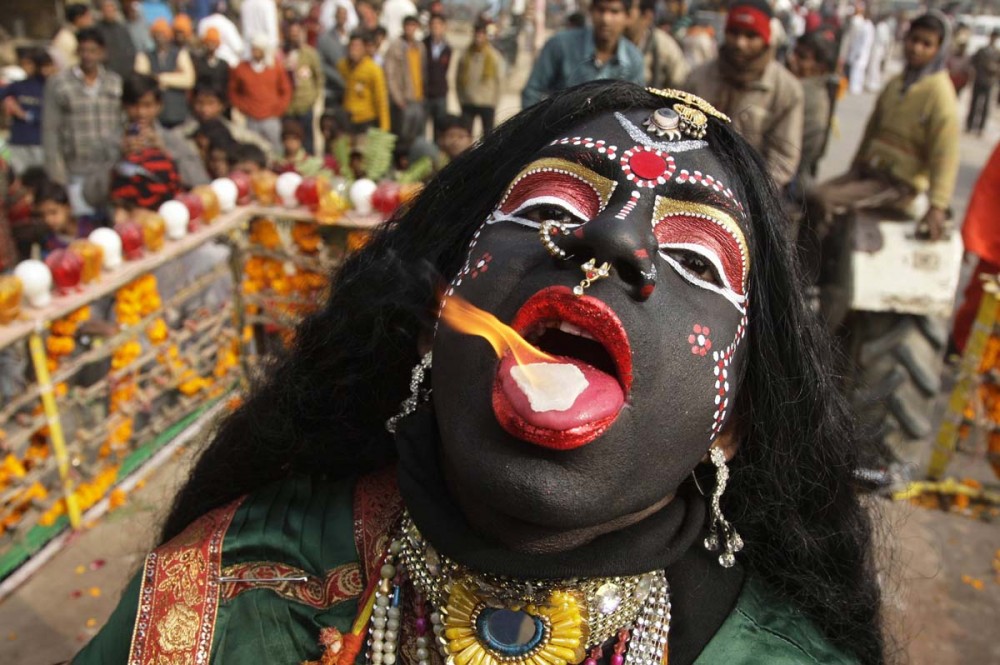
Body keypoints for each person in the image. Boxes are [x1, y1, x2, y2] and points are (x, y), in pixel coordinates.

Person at [74, 81, 887, 665]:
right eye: (548, 210)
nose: (611, 241)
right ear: (437, 312)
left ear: (736, 419)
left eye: (694, 258)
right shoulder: (231, 597)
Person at [811, 11, 958, 242]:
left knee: (824, 199)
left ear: (938, 49)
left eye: (926, 44)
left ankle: (812, 266)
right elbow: (872, 130)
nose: (917, 48)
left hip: (898, 185)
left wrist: (938, 205)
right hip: (870, 173)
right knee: (810, 196)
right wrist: (856, 166)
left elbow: (945, 154)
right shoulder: (896, 84)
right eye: (914, 40)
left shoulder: (940, 94)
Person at [684, 0, 803, 189]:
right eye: (734, 33)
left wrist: (750, 194)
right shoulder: (699, 77)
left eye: (750, 35)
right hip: (693, 181)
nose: (740, 43)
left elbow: (783, 159)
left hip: (753, 192)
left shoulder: (786, 89)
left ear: (766, 39)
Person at [84, 72, 207, 212]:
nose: (141, 113)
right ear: (124, 106)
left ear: (159, 106)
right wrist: (119, 158)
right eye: (134, 106)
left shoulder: (173, 139)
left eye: (147, 106)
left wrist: (165, 151)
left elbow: (200, 182)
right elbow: (90, 196)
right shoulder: (107, 143)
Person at [42, 27, 123, 215]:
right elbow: (50, 130)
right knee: (85, 225)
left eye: (93, 51)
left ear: (102, 53)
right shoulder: (59, 83)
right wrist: (56, 174)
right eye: (83, 50)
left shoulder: (114, 82)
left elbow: (122, 121)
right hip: (76, 169)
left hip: (110, 167)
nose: (88, 56)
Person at [523, 0, 643, 108]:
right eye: (601, 10)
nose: (606, 19)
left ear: (627, 17)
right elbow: (533, 91)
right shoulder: (560, 45)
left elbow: (634, 107)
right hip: (559, 127)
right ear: (591, 11)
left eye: (614, 12)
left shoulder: (633, 59)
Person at [952, 141, 1000, 353]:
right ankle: (959, 349)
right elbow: (989, 188)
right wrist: (973, 236)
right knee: (978, 306)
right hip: (995, 251)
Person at [788, 29, 836, 193]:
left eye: (801, 57)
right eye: (794, 52)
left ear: (820, 67)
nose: (791, 59)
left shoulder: (803, 94)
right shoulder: (800, 88)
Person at [229, 34, 292, 151]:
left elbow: (286, 90)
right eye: (253, 48)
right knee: (253, 148)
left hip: (271, 118)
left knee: (276, 148)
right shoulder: (241, 68)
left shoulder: (275, 68)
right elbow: (233, 91)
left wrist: (279, 108)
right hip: (251, 118)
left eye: (258, 49)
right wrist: (243, 107)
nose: (255, 52)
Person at [172, 85, 274, 158]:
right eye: (200, 103)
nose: (205, 109)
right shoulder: (182, 134)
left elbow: (266, 150)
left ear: (222, 106)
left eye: (211, 104)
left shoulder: (236, 133)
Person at [134, 19, 196, 129]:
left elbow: (189, 80)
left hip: (178, 112)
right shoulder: (145, 55)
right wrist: (174, 76)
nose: (160, 37)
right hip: (156, 116)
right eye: (157, 34)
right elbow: (142, 79)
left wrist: (160, 78)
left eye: (163, 34)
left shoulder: (180, 53)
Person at [1, 49, 53, 176]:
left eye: (29, 63)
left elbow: (51, 118)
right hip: (18, 143)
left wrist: (26, 115)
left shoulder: (50, 88)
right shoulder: (18, 86)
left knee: (41, 180)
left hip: (41, 144)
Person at [385, 16, 427, 148]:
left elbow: (423, 71)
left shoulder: (420, 47)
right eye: (408, 25)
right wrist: (398, 99)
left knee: (417, 135)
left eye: (413, 25)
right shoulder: (395, 47)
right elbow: (389, 75)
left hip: (418, 98)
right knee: (402, 136)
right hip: (403, 99)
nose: (410, 29)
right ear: (403, 27)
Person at [283, 19, 325, 154]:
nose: (294, 35)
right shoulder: (282, 54)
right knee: (289, 140)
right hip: (288, 106)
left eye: (297, 32)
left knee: (307, 141)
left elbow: (319, 78)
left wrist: (314, 98)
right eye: (292, 33)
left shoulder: (310, 54)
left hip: (305, 104)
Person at [626, 0, 688, 89]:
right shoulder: (611, 43)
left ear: (647, 16)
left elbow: (681, 82)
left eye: (628, 12)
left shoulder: (664, 46)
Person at [457, 20, 504, 136]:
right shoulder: (465, 55)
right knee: (465, 136)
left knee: (488, 137)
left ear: (486, 36)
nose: (479, 37)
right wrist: (461, 98)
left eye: (482, 34)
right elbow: (457, 79)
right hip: (468, 102)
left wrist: (495, 102)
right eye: (477, 34)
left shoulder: (493, 56)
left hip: (487, 103)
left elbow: (501, 81)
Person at [339, 31, 391, 135]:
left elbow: (381, 99)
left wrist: (384, 128)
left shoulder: (373, 70)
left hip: (366, 120)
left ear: (364, 48)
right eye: (352, 46)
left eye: (357, 46)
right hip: (348, 118)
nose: (354, 50)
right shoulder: (343, 66)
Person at [424, 14, 452, 138]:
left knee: (439, 129)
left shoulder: (447, 48)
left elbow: (445, 69)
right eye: (433, 25)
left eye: (438, 25)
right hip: (425, 94)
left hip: (440, 93)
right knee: (421, 128)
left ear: (444, 27)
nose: (436, 28)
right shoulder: (422, 45)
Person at [967, 29, 1000, 136]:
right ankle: (970, 125)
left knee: (985, 106)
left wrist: (994, 68)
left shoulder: (997, 52)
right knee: (974, 103)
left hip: (989, 82)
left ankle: (980, 128)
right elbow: (973, 62)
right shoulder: (982, 50)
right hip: (979, 79)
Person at [95, 0, 138, 79]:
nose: (109, 12)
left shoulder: (122, 29)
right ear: (102, 11)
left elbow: (131, 49)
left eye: (111, 9)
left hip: (126, 73)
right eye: (107, 9)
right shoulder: (97, 30)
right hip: (106, 73)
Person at [838, 2, 874, 95]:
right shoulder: (864, 24)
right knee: (856, 70)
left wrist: (859, 52)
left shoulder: (865, 25)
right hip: (856, 50)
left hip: (860, 52)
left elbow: (865, 42)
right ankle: (854, 86)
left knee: (857, 71)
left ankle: (855, 87)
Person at [316, 7, 349, 107]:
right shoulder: (325, 38)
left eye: (344, 15)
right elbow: (320, 63)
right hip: (332, 89)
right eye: (340, 14)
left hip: (350, 89)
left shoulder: (352, 36)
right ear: (335, 16)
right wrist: (338, 77)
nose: (342, 17)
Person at [197, 1, 244, 67]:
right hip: (226, 62)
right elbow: (238, 47)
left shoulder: (203, 22)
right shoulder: (227, 23)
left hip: (207, 61)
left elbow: (200, 44)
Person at [51, 2, 94, 71]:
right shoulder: (66, 38)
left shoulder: (79, 34)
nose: (91, 19)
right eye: (87, 16)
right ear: (78, 18)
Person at [192, 27, 229, 101]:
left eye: (214, 42)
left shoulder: (223, 64)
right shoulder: (198, 62)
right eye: (209, 42)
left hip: (217, 102)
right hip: (201, 101)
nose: (211, 45)